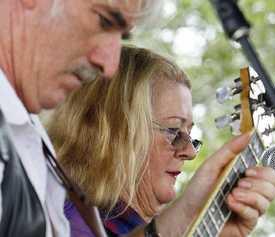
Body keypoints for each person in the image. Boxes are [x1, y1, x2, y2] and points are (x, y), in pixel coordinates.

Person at [48, 46, 275, 237]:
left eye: (190, 134)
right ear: (114, 131)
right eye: (173, 130)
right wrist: (177, 221)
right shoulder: (61, 220)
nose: (189, 152)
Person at [0, 1, 158, 236]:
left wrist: (186, 214)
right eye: (104, 21)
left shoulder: (25, 129)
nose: (109, 65)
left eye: (121, 36)